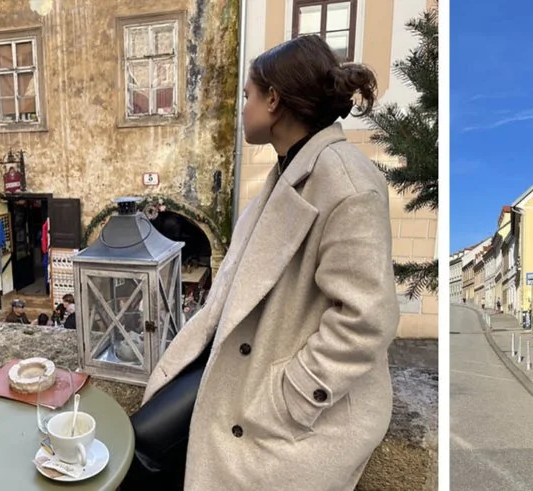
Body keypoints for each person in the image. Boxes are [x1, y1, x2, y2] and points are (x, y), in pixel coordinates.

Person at [135, 35, 397, 490]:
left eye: (248, 96)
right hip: (235, 372)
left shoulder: (346, 182)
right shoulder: (289, 170)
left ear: (273, 99)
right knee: (137, 447)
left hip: (282, 407)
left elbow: (366, 319)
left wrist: (290, 398)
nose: (243, 109)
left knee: (142, 457)